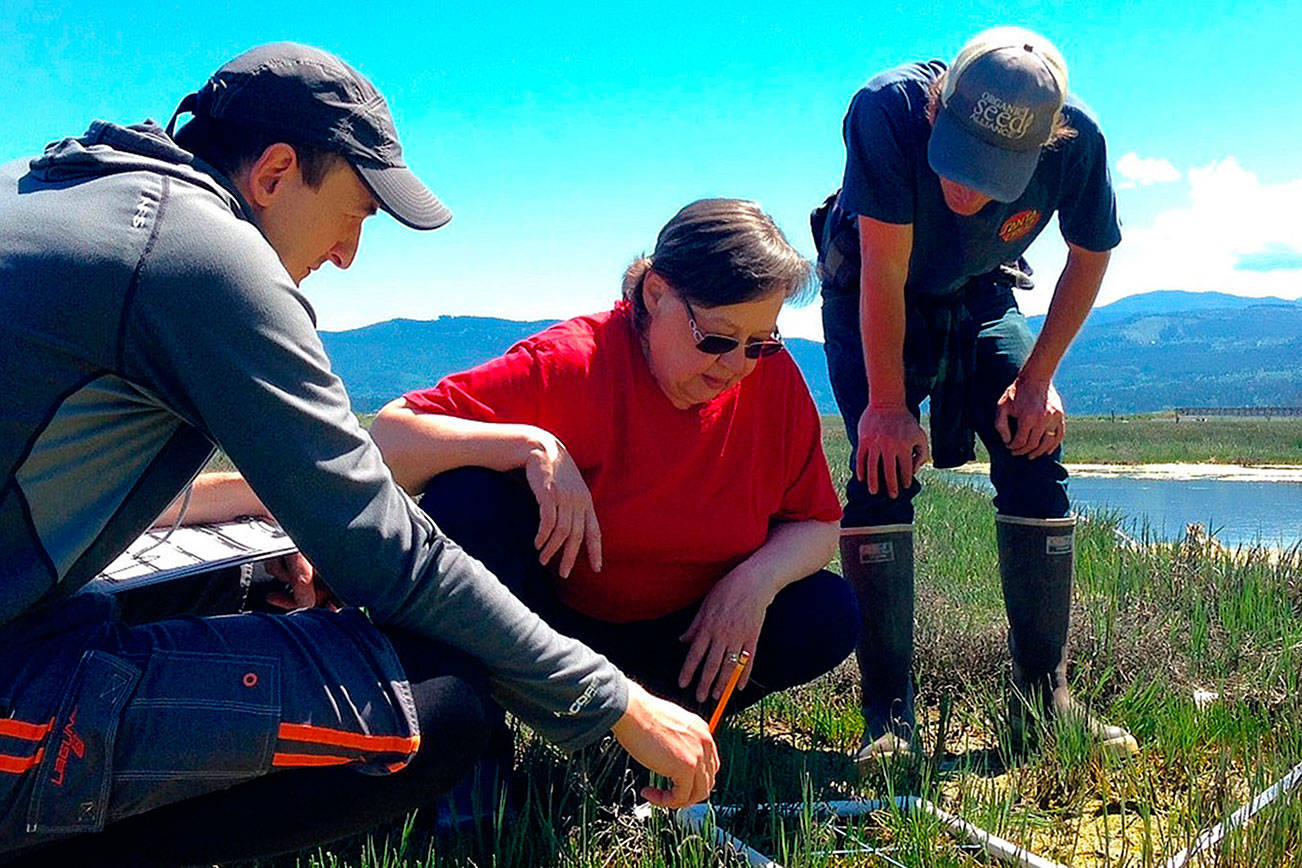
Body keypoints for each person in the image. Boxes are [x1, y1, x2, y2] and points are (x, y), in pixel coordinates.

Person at [0, 43, 716, 865]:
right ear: (275, 173)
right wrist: (617, 702)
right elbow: (397, 560)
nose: (348, 256)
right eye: (357, 214)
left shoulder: (57, 187)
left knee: (241, 584)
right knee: (436, 706)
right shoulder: (198, 255)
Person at [370, 198, 858, 719]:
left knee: (826, 612)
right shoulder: (575, 364)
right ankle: (478, 733)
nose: (738, 365)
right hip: (549, 630)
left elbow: (817, 524)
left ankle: (665, 728)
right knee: (467, 498)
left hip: (686, 636)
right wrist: (530, 445)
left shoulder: (774, 382)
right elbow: (388, 441)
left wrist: (754, 582)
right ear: (656, 294)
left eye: (760, 342)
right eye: (717, 338)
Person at [812, 27, 1138, 767]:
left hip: (982, 289)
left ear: (1045, 144)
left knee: (1034, 444)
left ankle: (1043, 701)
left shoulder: (1078, 141)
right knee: (881, 468)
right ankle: (889, 717)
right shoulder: (886, 111)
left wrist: (1038, 379)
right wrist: (887, 408)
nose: (966, 193)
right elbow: (884, 272)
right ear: (938, 106)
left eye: (993, 175)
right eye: (958, 163)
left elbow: (1091, 255)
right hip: (872, 285)